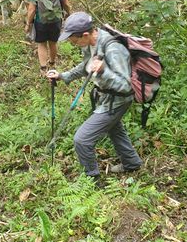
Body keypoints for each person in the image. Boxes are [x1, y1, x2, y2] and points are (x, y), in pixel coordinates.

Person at [46, 12, 143, 187]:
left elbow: (126, 86)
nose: (72, 44)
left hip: (117, 100)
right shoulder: (91, 43)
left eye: (74, 40)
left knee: (82, 140)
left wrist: (104, 71)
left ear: (85, 34)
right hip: (105, 96)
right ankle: (132, 163)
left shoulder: (113, 49)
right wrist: (63, 76)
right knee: (114, 129)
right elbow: (86, 66)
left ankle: (92, 181)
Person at [25, 0, 72, 75]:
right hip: (56, 19)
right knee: (53, 42)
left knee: (41, 44)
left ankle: (43, 69)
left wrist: (28, 23)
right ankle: (52, 64)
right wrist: (69, 14)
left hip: (40, 21)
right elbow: (66, 4)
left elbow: (31, 10)